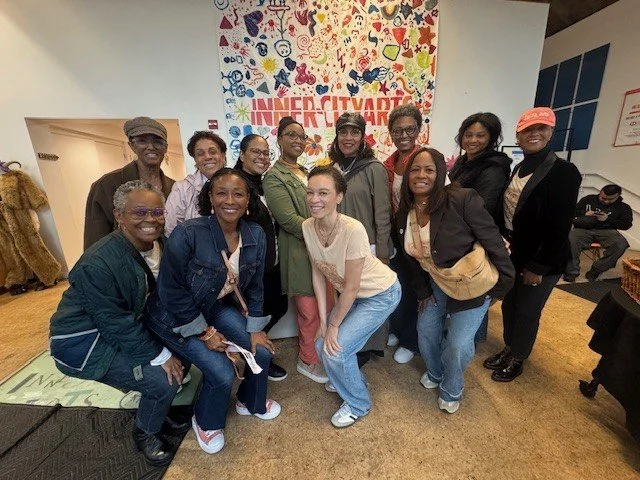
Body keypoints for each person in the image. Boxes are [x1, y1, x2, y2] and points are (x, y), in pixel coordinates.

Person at [50, 181, 187, 466]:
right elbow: (114, 323)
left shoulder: (159, 243)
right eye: (139, 212)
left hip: (122, 326)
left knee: (181, 353)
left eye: (157, 212)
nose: (150, 219)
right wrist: (159, 354)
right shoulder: (97, 262)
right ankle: (145, 432)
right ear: (119, 216)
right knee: (164, 378)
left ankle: (157, 412)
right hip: (84, 341)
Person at [145, 168, 280, 454]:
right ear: (210, 197)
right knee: (221, 372)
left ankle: (249, 401)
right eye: (221, 193)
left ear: (248, 200)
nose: (229, 200)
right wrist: (205, 332)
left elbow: (256, 286)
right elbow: (170, 291)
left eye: (238, 194)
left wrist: (255, 328)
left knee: (262, 350)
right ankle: (206, 422)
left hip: (212, 307)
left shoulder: (255, 234)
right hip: (172, 316)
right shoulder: (188, 233)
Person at [393, 148, 514, 413]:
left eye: (429, 170)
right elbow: (410, 259)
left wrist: (502, 286)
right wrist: (423, 291)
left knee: (458, 345)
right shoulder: (405, 212)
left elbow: (492, 240)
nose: (421, 175)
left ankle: (451, 387)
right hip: (436, 282)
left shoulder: (461, 199)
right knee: (425, 331)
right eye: (415, 170)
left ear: (440, 174)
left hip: (471, 283)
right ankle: (436, 372)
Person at [484, 107, 581, 382]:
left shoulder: (564, 171)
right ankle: (509, 347)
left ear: (550, 133)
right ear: (518, 134)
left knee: (527, 310)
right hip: (515, 253)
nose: (534, 134)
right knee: (509, 304)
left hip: (543, 258)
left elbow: (560, 225)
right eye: (528, 129)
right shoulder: (519, 168)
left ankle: (518, 357)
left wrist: (538, 266)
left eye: (541, 128)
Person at [303, 166, 401, 427]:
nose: (314, 199)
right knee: (321, 343)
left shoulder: (353, 229)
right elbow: (318, 273)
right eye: (310, 192)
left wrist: (334, 325)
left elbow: (352, 287)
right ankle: (349, 381)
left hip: (381, 293)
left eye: (323, 193)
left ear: (339, 196)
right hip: (354, 295)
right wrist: (323, 321)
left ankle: (359, 404)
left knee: (336, 351)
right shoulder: (307, 226)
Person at [264, 117, 331, 384]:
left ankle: (324, 354)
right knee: (309, 311)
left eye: (301, 136)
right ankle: (307, 360)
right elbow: (288, 219)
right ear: (279, 139)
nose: (297, 140)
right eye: (291, 135)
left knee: (327, 306)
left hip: (323, 249)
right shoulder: (274, 177)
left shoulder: (306, 171)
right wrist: (324, 231)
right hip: (299, 252)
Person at [329, 112, 393, 365]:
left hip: (369, 246)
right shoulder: (333, 169)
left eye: (354, 132)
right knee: (348, 297)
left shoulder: (373, 168)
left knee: (370, 298)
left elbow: (383, 213)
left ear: (362, 136)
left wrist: (383, 253)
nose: (348, 137)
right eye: (343, 131)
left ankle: (370, 347)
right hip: (341, 246)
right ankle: (350, 341)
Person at [449, 112, 512, 343]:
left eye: (480, 135)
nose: (473, 140)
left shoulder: (493, 168)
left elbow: (481, 209)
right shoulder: (463, 162)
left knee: (477, 288)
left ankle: (471, 339)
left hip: (476, 236)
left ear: (491, 138)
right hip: (459, 233)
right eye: (468, 135)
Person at [234, 134, 289, 381]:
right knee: (254, 314)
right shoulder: (237, 183)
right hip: (251, 266)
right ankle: (256, 358)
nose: (262, 157)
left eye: (266, 153)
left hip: (271, 262)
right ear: (242, 154)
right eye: (256, 152)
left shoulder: (265, 183)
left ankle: (253, 349)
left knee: (279, 306)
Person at [84, 117, 174, 250]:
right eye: (142, 141)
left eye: (157, 142)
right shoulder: (107, 185)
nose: (151, 147)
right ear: (132, 145)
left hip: (166, 257)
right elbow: (95, 242)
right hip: (123, 258)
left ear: (165, 147)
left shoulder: (174, 187)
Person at [383, 104, 423, 364]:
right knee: (397, 286)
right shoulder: (390, 163)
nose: (404, 135)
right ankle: (397, 330)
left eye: (410, 129)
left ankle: (411, 340)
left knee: (417, 289)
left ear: (418, 130)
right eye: (398, 130)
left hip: (419, 236)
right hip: (397, 235)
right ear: (391, 133)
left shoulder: (425, 160)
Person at [563, 184, 632, 282]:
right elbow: (572, 212)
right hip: (583, 229)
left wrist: (607, 219)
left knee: (621, 244)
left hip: (607, 231)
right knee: (571, 238)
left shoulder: (624, 207)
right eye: (603, 198)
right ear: (600, 192)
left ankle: (596, 270)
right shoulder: (588, 199)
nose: (606, 201)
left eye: (610, 199)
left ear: (618, 196)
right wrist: (584, 214)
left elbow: (626, 225)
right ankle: (571, 271)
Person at [164, 131, 226, 236]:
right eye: (200, 154)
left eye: (212, 152)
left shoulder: (238, 184)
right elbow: (171, 229)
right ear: (195, 159)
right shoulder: (182, 189)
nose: (207, 157)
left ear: (223, 155)